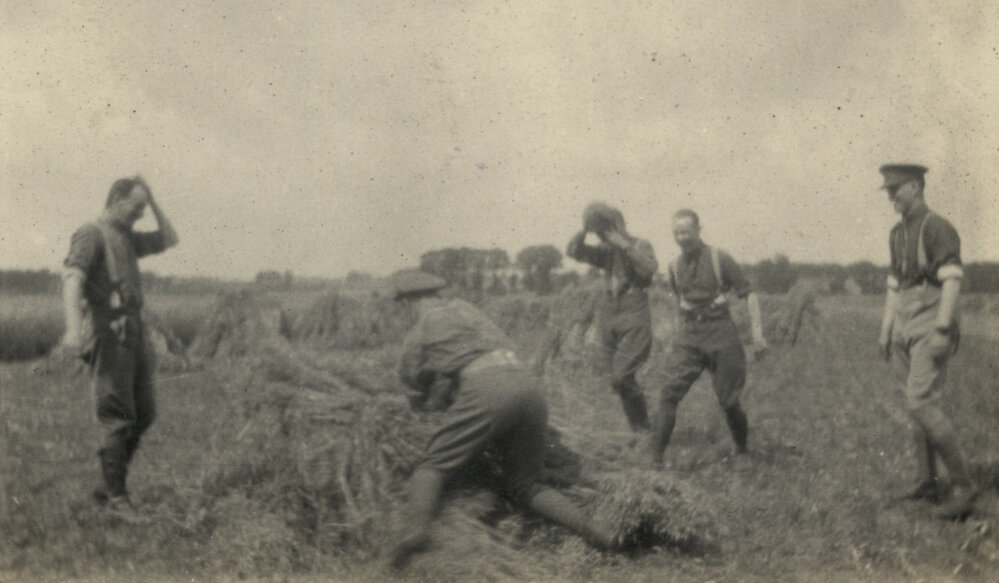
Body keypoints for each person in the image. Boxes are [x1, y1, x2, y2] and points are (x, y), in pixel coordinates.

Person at [388, 272, 616, 569]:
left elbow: (411, 379)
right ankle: (598, 531)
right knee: (525, 485)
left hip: (487, 388)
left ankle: (417, 532)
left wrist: (428, 406)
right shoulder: (469, 311)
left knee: (431, 466)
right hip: (527, 386)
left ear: (408, 302)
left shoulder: (422, 327)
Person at [60, 175, 179, 522]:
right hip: (107, 331)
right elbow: (72, 279)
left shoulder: (125, 237)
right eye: (137, 207)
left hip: (133, 331)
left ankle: (106, 487)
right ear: (115, 198)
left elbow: (169, 238)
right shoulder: (92, 233)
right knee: (117, 416)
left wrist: (153, 200)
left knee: (144, 414)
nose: (142, 214)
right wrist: (72, 330)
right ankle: (117, 500)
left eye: (145, 208)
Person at [876, 164, 978, 520]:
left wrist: (942, 330)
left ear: (917, 186)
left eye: (896, 189)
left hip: (932, 319)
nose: (890, 196)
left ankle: (964, 486)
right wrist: (887, 327)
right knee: (912, 401)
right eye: (887, 191)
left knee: (921, 401)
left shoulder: (937, 226)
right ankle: (927, 482)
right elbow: (894, 284)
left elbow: (951, 281)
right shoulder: (896, 232)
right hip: (905, 321)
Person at [649, 209, 767, 469]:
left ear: (698, 230)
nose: (681, 238)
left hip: (721, 333)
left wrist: (758, 335)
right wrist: (676, 339)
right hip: (690, 336)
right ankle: (654, 460)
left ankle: (742, 451)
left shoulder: (719, 258)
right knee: (668, 394)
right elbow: (681, 305)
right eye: (676, 233)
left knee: (729, 400)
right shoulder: (674, 267)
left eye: (686, 232)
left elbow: (750, 295)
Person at [565, 202, 659, 432]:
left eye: (604, 230)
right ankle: (639, 429)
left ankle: (644, 426)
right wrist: (584, 230)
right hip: (609, 312)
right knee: (616, 380)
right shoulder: (605, 252)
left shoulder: (639, 244)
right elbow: (573, 251)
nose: (601, 236)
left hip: (633, 311)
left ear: (617, 226)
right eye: (598, 232)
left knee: (621, 375)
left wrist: (624, 246)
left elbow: (649, 269)